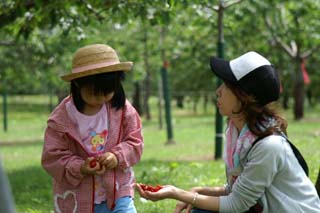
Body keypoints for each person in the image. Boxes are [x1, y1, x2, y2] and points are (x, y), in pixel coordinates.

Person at [136, 51, 320, 212]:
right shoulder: (239, 133)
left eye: (226, 85)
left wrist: (177, 193)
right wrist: (197, 191)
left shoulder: (268, 146)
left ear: (245, 96)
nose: (218, 91)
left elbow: (236, 204)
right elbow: (235, 190)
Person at [41, 44, 144, 213]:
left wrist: (116, 156)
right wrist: (79, 166)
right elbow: (52, 157)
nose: (101, 98)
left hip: (118, 190)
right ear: (77, 84)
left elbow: (135, 142)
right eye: (94, 93)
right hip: (77, 196)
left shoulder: (123, 110)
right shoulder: (61, 119)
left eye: (108, 92)